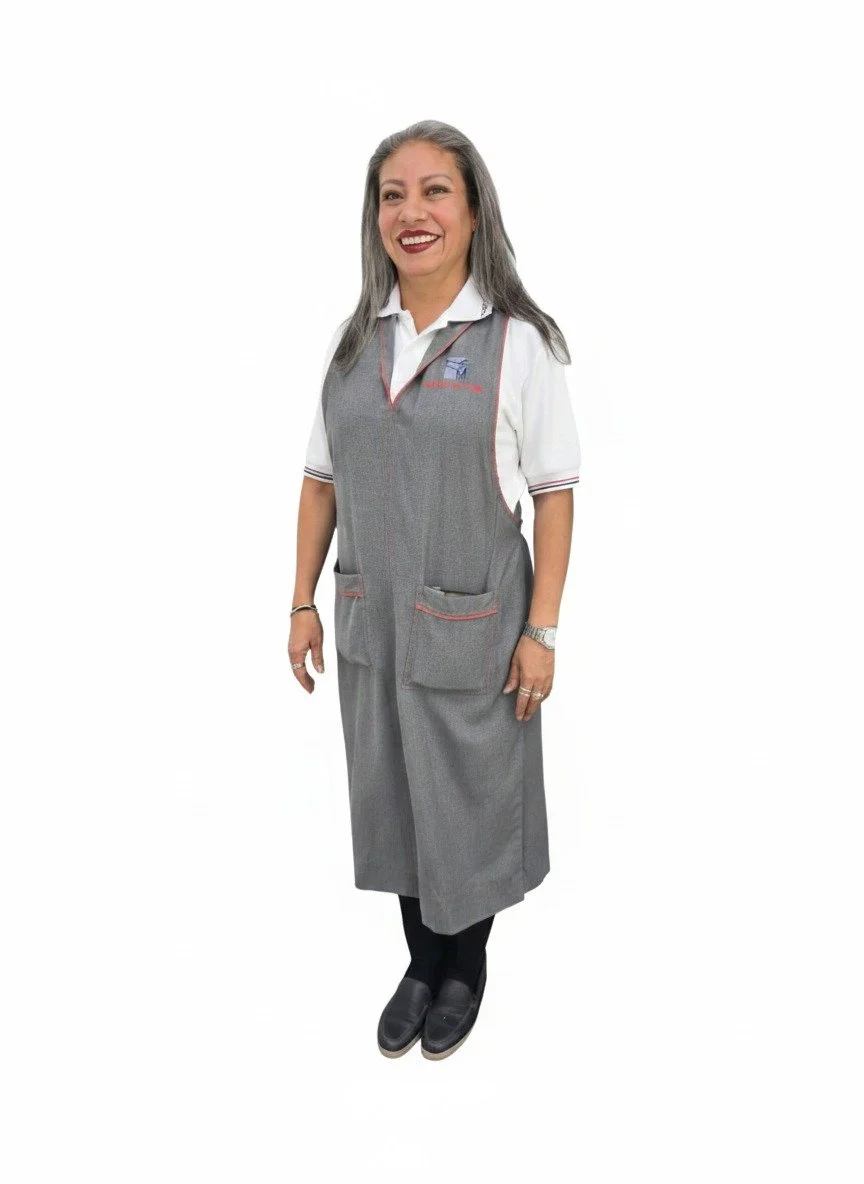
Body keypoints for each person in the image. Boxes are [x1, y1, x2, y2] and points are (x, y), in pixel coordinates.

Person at [288, 120, 582, 1060]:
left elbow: (554, 494)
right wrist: (300, 601)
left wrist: (544, 631)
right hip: (374, 621)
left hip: (478, 628)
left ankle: (466, 965)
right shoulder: (353, 344)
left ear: (472, 207)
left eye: (434, 191)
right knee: (395, 797)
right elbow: (321, 478)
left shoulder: (519, 345)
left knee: (468, 799)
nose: (410, 212)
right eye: (391, 194)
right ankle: (419, 960)